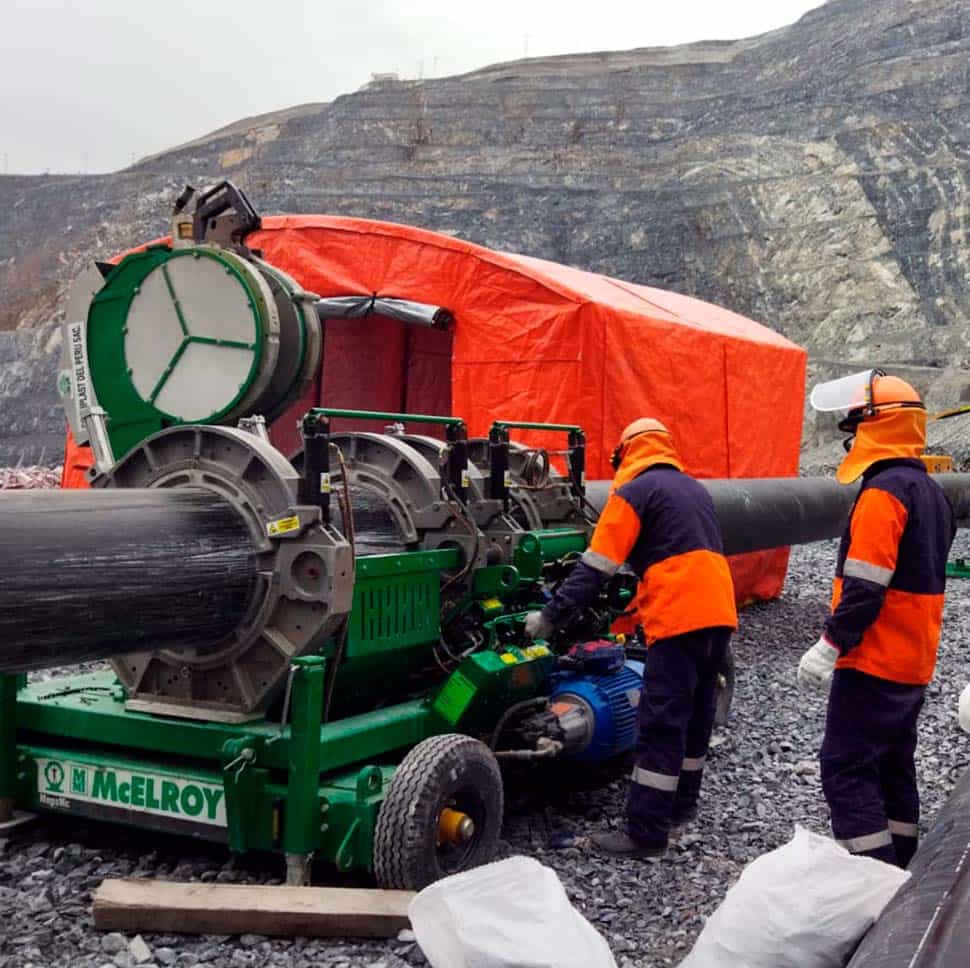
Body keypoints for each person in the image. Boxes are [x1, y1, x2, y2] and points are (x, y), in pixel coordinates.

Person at [524, 418, 738, 857]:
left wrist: (550, 616)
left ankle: (645, 833)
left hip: (679, 618)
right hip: (719, 613)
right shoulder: (693, 489)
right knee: (697, 716)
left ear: (625, 454)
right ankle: (680, 810)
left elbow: (596, 566)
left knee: (660, 723)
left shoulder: (634, 493)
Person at [800, 369, 954, 867]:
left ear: (875, 426)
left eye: (854, 428)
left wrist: (830, 645)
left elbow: (866, 587)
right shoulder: (930, 491)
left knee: (845, 766)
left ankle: (873, 879)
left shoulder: (883, 494)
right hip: (913, 660)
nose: (849, 441)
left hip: (875, 660)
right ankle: (901, 862)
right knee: (892, 764)